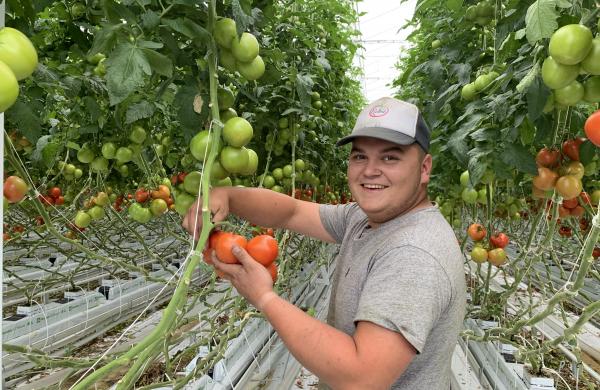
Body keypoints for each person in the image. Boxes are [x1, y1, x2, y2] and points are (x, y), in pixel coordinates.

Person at [183, 97, 466, 389]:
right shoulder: (366, 218)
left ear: (424, 168)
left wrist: (264, 297)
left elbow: (361, 376)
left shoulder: (413, 253)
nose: (370, 170)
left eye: (389, 157)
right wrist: (228, 195)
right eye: (359, 157)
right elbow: (292, 212)